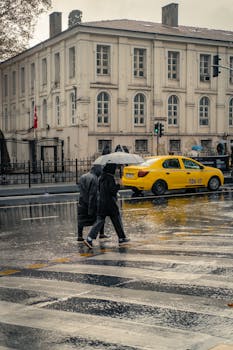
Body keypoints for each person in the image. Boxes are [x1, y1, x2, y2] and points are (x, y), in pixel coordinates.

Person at [84, 163, 130, 249]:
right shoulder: (110, 178)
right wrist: (118, 185)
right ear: (111, 169)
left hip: (101, 203)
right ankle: (121, 238)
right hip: (110, 204)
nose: (116, 170)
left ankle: (89, 239)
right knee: (117, 220)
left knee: (99, 221)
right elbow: (112, 191)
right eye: (115, 168)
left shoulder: (101, 177)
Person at [77, 165, 109, 242]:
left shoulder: (82, 176)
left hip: (82, 202)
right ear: (96, 170)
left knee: (81, 220)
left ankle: (79, 236)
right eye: (100, 170)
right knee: (100, 218)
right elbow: (92, 194)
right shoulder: (94, 179)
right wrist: (91, 208)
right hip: (90, 203)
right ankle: (101, 234)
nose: (101, 172)